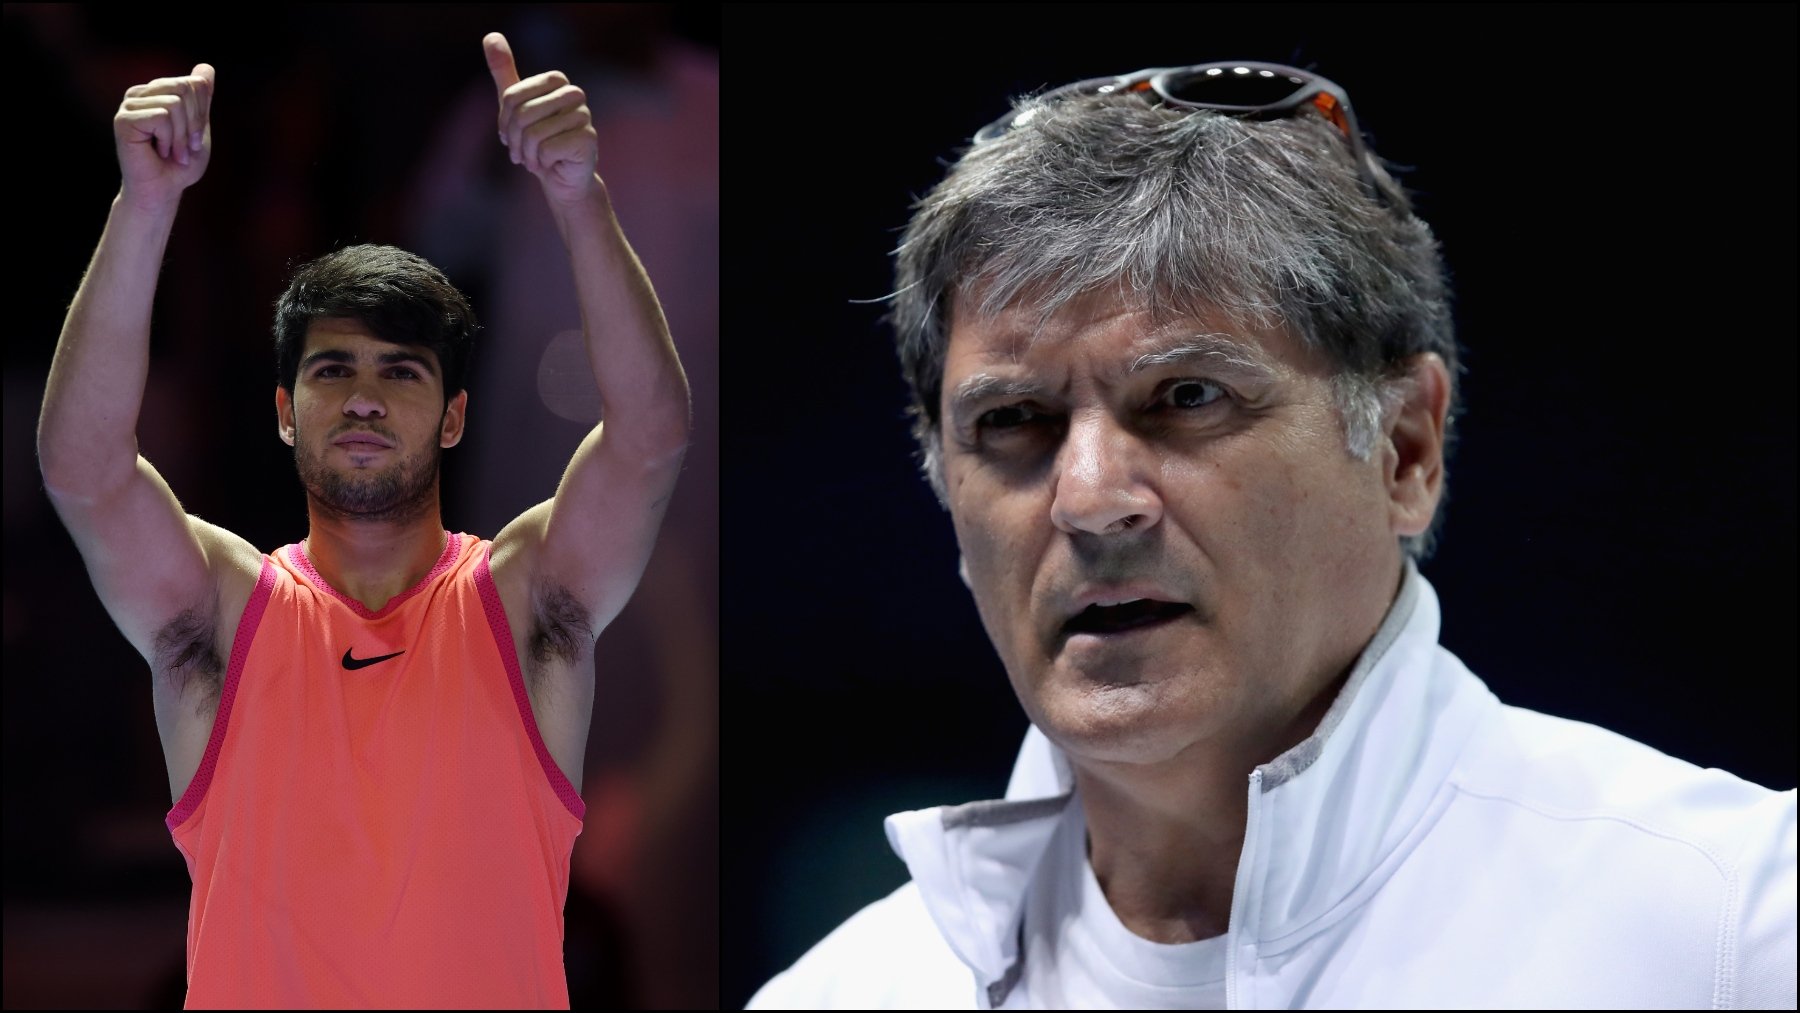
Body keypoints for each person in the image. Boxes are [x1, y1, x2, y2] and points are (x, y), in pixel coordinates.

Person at [747, 62, 1797, 1010]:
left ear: (1405, 448)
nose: (1091, 497)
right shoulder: (844, 993)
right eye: (1013, 422)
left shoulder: (1738, 923)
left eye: (1186, 396)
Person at [35, 33, 689, 1009]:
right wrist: (145, 203)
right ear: (287, 412)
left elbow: (648, 437)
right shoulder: (219, 612)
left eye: (402, 370)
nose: (366, 398)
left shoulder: (521, 600)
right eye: (332, 370)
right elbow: (84, 470)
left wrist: (578, 199)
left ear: (455, 415)